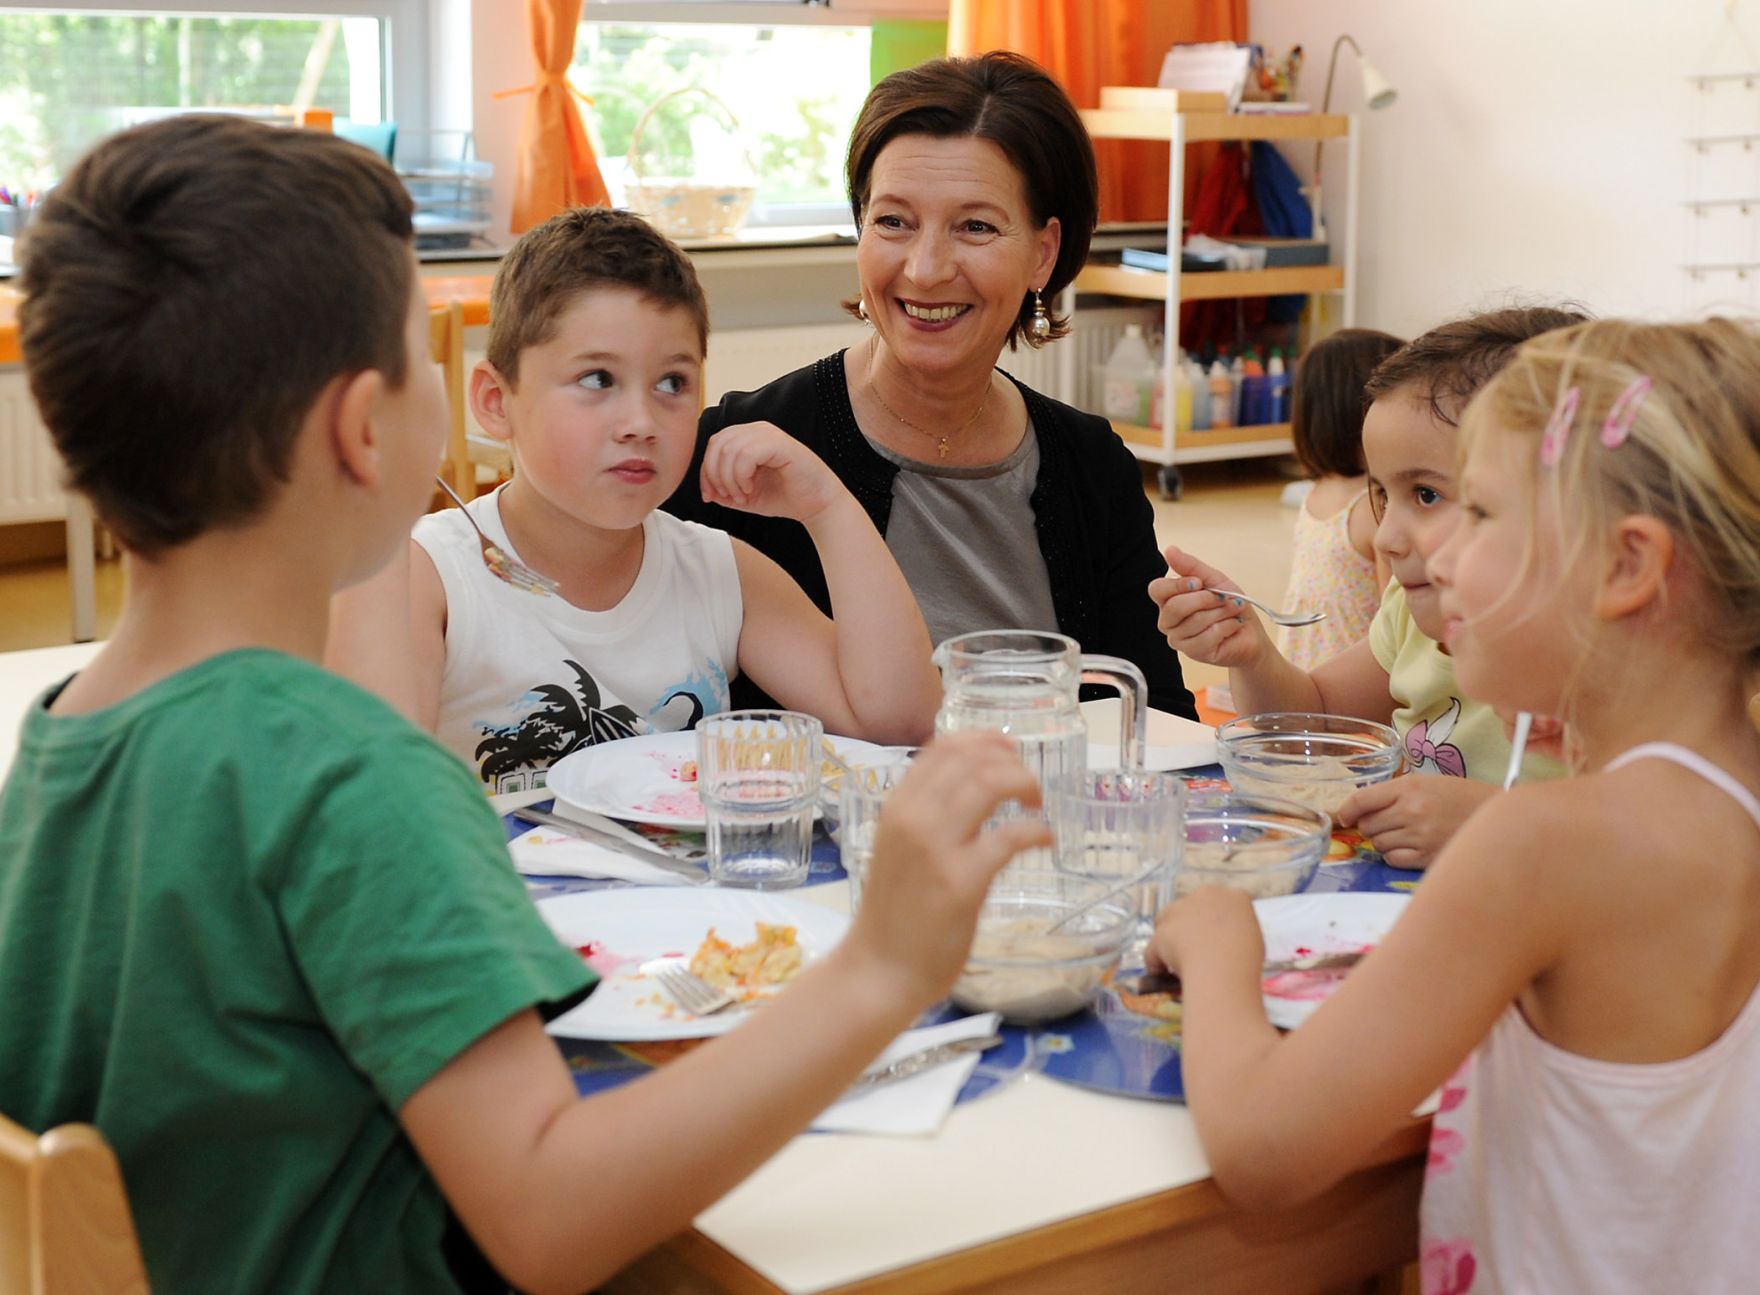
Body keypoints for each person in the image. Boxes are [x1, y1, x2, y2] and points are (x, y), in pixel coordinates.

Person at [0, 114, 1052, 1295]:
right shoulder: (354, 778)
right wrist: (885, 962)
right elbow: (551, 1221)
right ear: (363, 427)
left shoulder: (64, 736)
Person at [1150, 317, 1760, 1293]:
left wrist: (1219, 938)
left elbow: (1265, 1149)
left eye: (1476, 512)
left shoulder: (1539, 847)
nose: (1427, 556)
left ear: (1626, 567)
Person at [328, 206, 941, 794]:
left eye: (672, 383)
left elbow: (899, 726)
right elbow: (377, 798)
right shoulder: (429, 577)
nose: (641, 422)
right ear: (496, 401)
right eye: (597, 379)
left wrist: (827, 507)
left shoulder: (717, 571)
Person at [662, 51, 1199, 720]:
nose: (924, 269)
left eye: (975, 226)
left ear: (1043, 254)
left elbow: (1154, 717)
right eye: (893, 221)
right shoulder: (738, 457)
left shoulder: (1093, 467)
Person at [1152, 307, 1583, 867]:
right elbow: (1313, 724)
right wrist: (1252, 654)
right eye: (1381, 494)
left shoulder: (1604, 654)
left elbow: (1668, 837)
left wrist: (1495, 824)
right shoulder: (1408, 612)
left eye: (1426, 494)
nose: (1385, 539)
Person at [1277, 327, 1404, 670]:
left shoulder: (1317, 492)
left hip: (1305, 672)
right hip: (1354, 685)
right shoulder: (1374, 507)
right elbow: (1397, 620)